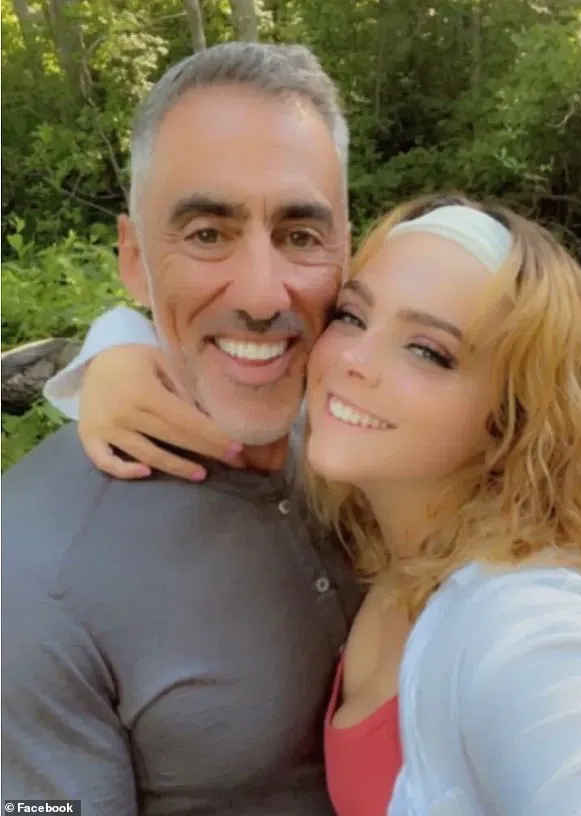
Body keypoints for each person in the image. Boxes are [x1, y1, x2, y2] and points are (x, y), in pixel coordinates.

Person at [44, 196, 581, 815]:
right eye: (352, 316)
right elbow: (232, 355)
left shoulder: (530, 619)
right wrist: (117, 347)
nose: (352, 360)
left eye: (428, 351)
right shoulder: (378, 510)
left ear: (513, 419)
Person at [1, 42, 363, 815]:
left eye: (301, 235)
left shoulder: (380, 434)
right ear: (135, 259)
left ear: (347, 249)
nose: (263, 295)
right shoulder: (28, 577)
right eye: (206, 233)